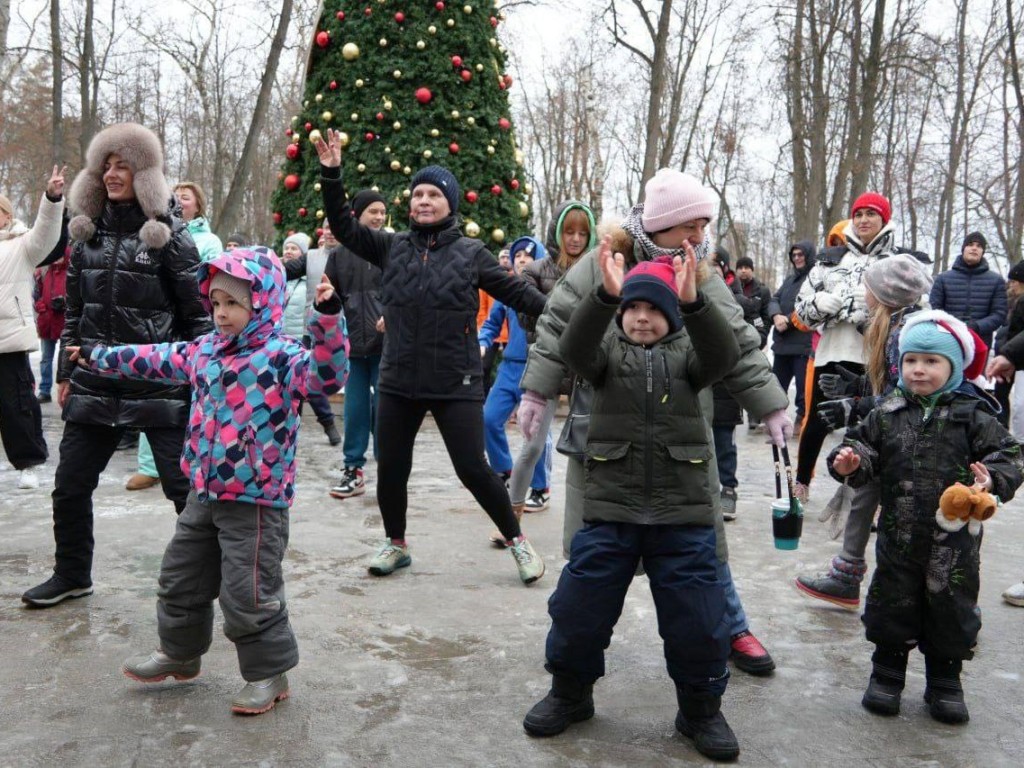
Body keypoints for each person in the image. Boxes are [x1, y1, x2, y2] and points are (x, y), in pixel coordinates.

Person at [518, 168, 789, 676]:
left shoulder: (700, 271)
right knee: (591, 547)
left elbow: (736, 339)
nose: (699, 236)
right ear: (661, 224)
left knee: (702, 540)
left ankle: (731, 626)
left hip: (681, 433)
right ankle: (575, 640)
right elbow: (558, 325)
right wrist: (536, 389)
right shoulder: (607, 262)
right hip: (607, 425)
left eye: (704, 225)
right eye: (690, 225)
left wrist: (769, 403)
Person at [70, 247, 348, 715]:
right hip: (204, 491)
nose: (220, 314)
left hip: (256, 501)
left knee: (249, 592)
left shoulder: (283, 357)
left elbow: (325, 378)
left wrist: (327, 319)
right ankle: (180, 654)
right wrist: (97, 355)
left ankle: (268, 673)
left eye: (233, 304)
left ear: (261, 302)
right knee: (181, 577)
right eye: (215, 303)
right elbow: (151, 358)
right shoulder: (204, 351)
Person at [523, 247, 742, 760]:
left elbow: (724, 356)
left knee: (699, 620)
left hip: (683, 515)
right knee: (579, 610)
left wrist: (694, 305)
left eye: (655, 310)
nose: (642, 318)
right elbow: (574, 347)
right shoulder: (605, 357)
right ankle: (570, 694)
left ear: (672, 315)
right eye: (633, 309)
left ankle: (700, 710)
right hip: (610, 510)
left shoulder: (690, 357)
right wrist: (603, 295)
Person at [314, 128, 549, 585]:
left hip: (454, 380)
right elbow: (343, 227)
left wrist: (578, 313)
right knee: (393, 468)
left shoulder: (471, 253)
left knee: (473, 469)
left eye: (433, 194)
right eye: (417, 193)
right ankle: (395, 543)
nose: (423, 200)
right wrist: (331, 175)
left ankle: (518, 541)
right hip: (398, 376)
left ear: (449, 203)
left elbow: (522, 296)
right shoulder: (390, 246)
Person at [21, 122, 211, 608]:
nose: (111, 173)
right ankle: (72, 575)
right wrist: (66, 372)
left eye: (122, 164)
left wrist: (207, 384)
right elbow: (76, 312)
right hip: (95, 383)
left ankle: (207, 583)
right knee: (69, 488)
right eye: (105, 164)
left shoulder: (172, 238)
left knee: (184, 492)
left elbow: (198, 318)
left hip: (161, 387)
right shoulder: (85, 237)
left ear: (145, 173)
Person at [829, 310, 1022, 724]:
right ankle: (887, 675)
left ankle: (945, 682)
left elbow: (1009, 455)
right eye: (912, 360)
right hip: (899, 534)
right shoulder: (887, 412)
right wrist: (848, 463)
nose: (920, 370)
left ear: (953, 367)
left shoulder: (973, 414)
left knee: (952, 606)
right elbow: (860, 448)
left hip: (955, 542)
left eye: (932, 362)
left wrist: (993, 479)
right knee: (892, 602)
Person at [794, 254, 933, 608]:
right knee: (861, 490)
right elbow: (887, 384)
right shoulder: (889, 326)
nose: (862, 293)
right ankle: (846, 576)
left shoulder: (906, 334)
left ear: (886, 294)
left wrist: (854, 407)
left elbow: (906, 396)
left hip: (913, 441)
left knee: (904, 518)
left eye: (868, 287)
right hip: (888, 432)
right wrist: (854, 384)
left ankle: (929, 595)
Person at [793, 192, 904, 503]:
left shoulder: (896, 261)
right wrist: (819, 303)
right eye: (859, 214)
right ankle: (800, 486)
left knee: (873, 423)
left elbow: (913, 307)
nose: (864, 220)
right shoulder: (830, 260)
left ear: (884, 219)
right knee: (817, 421)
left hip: (875, 358)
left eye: (872, 214)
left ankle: (868, 495)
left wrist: (872, 311)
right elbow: (800, 309)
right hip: (833, 352)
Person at [127, 181, 226, 492]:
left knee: (191, 400)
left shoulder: (209, 240)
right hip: (156, 327)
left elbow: (211, 281)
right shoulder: (152, 232)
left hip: (191, 326)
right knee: (151, 394)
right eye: (175, 196)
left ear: (198, 204)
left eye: (187, 196)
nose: (180, 201)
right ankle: (148, 466)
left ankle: (193, 463)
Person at [512, 200, 598, 518]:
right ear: (557, 232)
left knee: (586, 450)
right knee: (532, 446)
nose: (575, 239)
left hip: (584, 368)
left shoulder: (600, 271)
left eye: (582, 232)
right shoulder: (534, 271)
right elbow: (526, 320)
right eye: (568, 231)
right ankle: (511, 518)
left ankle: (588, 521)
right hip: (547, 365)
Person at [479, 236, 553, 543]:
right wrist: (483, 343)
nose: (521, 259)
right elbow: (491, 325)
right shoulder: (506, 292)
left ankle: (540, 487)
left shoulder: (546, 289)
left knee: (534, 433)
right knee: (488, 418)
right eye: (517, 254)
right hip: (509, 366)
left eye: (527, 254)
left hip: (536, 366)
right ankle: (507, 473)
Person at [0, 167, 67, 490]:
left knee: (17, 406)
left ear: (6, 215)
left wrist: (52, 199)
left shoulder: (21, 244)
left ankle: (28, 462)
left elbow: (47, 234)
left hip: (8, 341)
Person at [325, 194, 386, 499]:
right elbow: (331, 296)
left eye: (382, 212)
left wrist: (393, 313)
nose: (379, 217)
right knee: (355, 409)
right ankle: (353, 469)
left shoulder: (390, 247)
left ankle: (388, 464)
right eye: (373, 212)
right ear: (357, 215)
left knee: (385, 407)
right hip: (352, 346)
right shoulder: (339, 254)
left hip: (385, 345)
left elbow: (405, 289)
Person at [281, 232, 341, 446]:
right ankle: (290, 427)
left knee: (313, 382)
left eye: (294, 249)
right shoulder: (286, 277)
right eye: (286, 248)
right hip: (289, 338)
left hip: (313, 333)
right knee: (291, 385)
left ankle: (328, 423)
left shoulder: (312, 275)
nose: (289, 252)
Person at [768, 241, 815, 437]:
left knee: (804, 391)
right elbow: (774, 299)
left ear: (809, 255)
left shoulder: (814, 279)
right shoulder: (789, 280)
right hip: (782, 344)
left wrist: (788, 320)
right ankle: (776, 418)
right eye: (794, 255)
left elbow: (812, 305)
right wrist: (776, 315)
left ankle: (801, 420)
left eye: (800, 254)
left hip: (803, 344)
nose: (797, 258)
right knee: (777, 386)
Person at [929, 232, 1006, 351]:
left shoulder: (996, 281)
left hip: (980, 342)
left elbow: (999, 314)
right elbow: (935, 309)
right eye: (970, 244)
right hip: (947, 339)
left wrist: (977, 326)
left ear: (982, 252)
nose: (974, 248)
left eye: (979, 246)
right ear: (963, 249)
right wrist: (954, 325)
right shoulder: (943, 279)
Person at [33, 247, 71, 405]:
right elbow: (36, 294)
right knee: (46, 359)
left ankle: (66, 391)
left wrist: (65, 303)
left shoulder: (72, 270)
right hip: (47, 321)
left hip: (65, 322)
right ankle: (44, 390)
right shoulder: (43, 271)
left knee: (66, 359)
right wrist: (41, 306)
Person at [478, 246, 511, 397]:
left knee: (511, 368)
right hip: (492, 331)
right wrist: (481, 330)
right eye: (502, 257)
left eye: (507, 256)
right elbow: (482, 307)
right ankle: (483, 399)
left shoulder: (517, 279)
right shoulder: (489, 278)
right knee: (484, 367)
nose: (505, 259)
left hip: (511, 334)